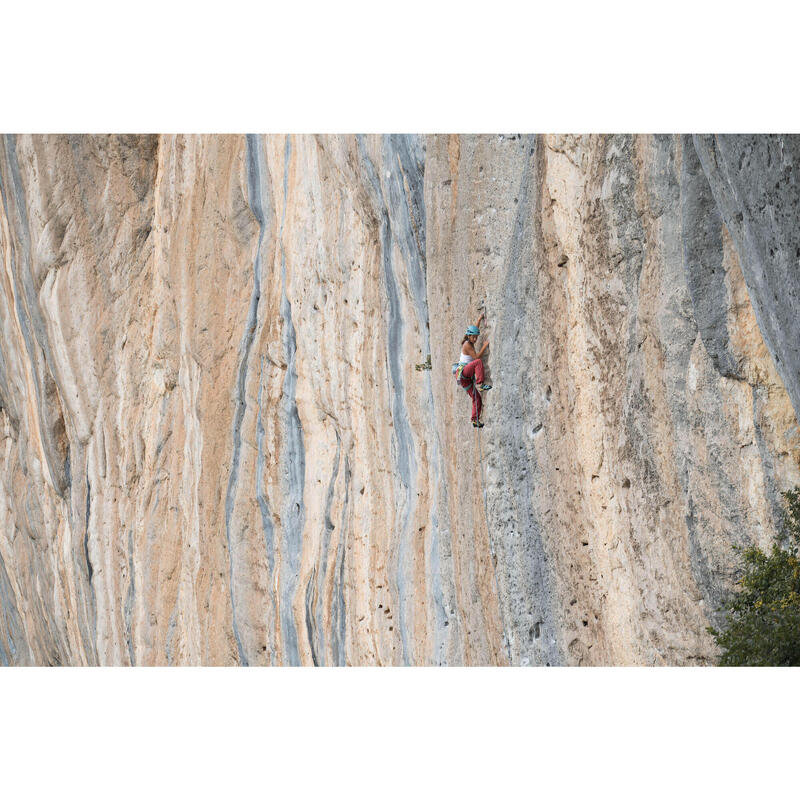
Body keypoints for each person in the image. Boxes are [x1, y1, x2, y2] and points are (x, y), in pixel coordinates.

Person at [455, 312, 492, 427]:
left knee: (477, 398)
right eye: (474, 337)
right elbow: (476, 358)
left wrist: (480, 318)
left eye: (477, 337)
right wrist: (485, 346)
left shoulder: (470, 339)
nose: (476, 339)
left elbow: (475, 328)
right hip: (464, 373)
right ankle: (480, 383)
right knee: (478, 362)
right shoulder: (467, 345)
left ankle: (475, 420)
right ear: (469, 336)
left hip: (464, 378)